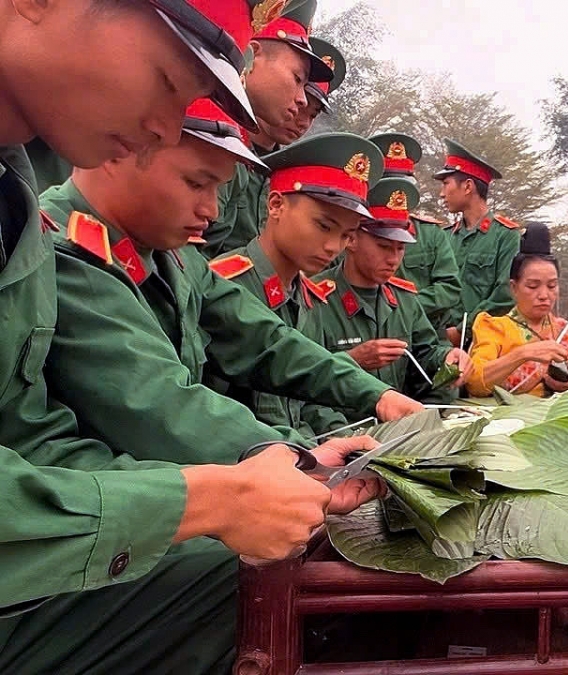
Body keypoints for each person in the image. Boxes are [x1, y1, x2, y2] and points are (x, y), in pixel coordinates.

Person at [0, 2, 380, 673]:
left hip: (50, 536)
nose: (164, 126)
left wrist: (279, 472)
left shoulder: (19, 194)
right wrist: (212, 495)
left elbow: (38, 439)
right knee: (269, 583)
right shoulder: (68, 244)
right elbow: (155, 398)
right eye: (168, 79)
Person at [42, 98, 416, 465]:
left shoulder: (174, 255)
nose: (212, 209)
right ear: (117, 151)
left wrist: (377, 395)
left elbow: (262, 339)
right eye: (196, 183)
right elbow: (156, 400)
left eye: (218, 188)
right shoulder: (65, 250)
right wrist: (296, 458)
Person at [209, 132, 424, 435]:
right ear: (275, 204)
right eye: (324, 226)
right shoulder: (224, 283)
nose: (333, 246)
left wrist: (349, 442)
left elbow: (309, 402)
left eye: (347, 235)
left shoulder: (309, 299)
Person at [309, 176, 473, 405]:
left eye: (401, 249)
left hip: (396, 427)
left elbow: (424, 353)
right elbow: (302, 382)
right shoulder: (314, 299)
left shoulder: (404, 299)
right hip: (338, 431)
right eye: (384, 247)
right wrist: (352, 360)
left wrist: (446, 357)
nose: (394, 260)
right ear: (352, 240)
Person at [199, 0, 332, 258]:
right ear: (254, 54)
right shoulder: (213, 134)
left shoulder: (277, 171)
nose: (301, 102)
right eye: (296, 79)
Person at [466, 223, 568, 397]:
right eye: (533, 286)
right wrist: (522, 354)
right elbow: (474, 383)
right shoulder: (494, 328)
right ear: (514, 287)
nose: (544, 295)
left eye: (552, 285)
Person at [372, 133, 463, 335]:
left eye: (402, 184)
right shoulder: (352, 233)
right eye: (388, 184)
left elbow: (449, 288)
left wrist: (403, 305)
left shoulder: (431, 234)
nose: (396, 192)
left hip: (425, 334)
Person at [436, 138, 520, 347]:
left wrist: (461, 331)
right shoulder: (445, 236)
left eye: (446, 184)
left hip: (484, 345)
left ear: (467, 186)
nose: (441, 193)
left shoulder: (505, 236)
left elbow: (505, 296)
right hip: (438, 343)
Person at [252, 36, 346, 147]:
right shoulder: (228, 136)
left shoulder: (285, 163)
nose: (304, 123)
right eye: (301, 107)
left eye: (313, 115)